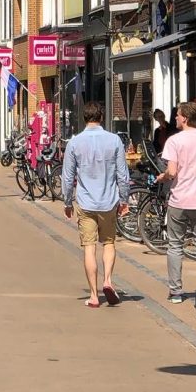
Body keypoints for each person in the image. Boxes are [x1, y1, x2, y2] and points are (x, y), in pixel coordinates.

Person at [61, 100, 130, 308]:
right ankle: (107, 280)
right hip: (108, 201)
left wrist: (67, 202)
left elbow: (67, 177)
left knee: (89, 247)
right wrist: (124, 199)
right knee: (108, 243)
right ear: (102, 117)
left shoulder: (74, 143)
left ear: (84, 118)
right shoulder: (114, 140)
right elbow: (123, 175)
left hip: (85, 202)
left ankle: (93, 295)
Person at [157, 101, 196, 304]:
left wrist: (163, 177)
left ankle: (176, 291)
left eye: (177, 114)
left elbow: (172, 171)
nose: (175, 117)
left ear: (185, 118)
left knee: (175, 245)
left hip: (179, 201)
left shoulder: (174, 141)